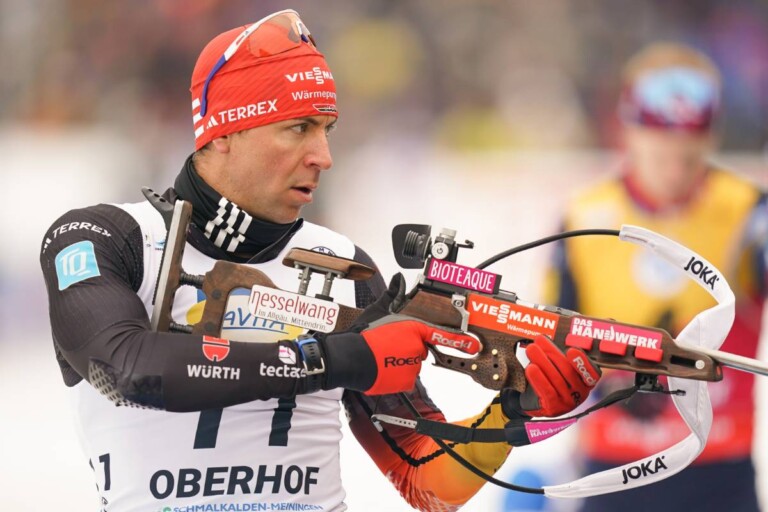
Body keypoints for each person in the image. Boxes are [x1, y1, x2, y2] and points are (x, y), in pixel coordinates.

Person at [40, 10, 601, 511]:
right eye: (299, 128)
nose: (324, 156)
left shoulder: (346, 267)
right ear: (226, 130)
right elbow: (127, 369)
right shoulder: (105, 237)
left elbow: (427, 481)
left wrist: (514, 414)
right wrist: (335, 359)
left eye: (327, 129)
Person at [544, 42, 768, 512]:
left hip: (719, 475)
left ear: (711, 135)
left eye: (690, 150)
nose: (676, 164)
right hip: (612, 473)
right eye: (661, 144)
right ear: (628, 127)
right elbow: (547, 349)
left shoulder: (748, 212)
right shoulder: (584, 218)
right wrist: (607, 384)